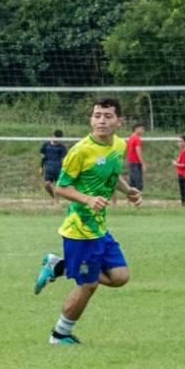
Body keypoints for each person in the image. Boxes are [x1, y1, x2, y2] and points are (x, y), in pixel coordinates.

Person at [33, 98, 141, 344]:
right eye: (97, 115)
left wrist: (128, 190)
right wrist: (88, 199)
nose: (102, 121)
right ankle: (59, 335)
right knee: (88, 284)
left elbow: (113, 173)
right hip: (79, 231)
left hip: (99, 228)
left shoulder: (119, 145)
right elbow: (61, 187)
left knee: (120, 276)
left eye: (108, 116)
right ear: (91, 119)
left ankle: (59, 267)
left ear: (119, 121)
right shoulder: (80, 151)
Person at [39, 130, 68, 201]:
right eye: (55, 137)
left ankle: (56, 201)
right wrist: (41, 167)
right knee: (47, 185)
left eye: (58, 138)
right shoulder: (46, 145)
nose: (56, 139)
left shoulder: (62, 147)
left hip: (58, 168)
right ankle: (54, 197)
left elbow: (65, 159)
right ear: (52, 135)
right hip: (48, 168)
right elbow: (43, 157)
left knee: (58, 186)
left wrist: (65, 169)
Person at [124, 123, 145, 192]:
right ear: (136, 129)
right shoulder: (137, 138)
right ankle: (138, 196)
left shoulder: (131, 137)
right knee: (138, 182)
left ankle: (131, 196)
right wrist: (143, 163)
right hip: (136, 162)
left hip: (131, 162)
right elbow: (138, 151)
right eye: (142, 129)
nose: (143, 131)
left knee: (132, 182)